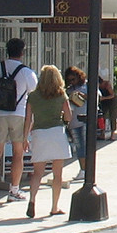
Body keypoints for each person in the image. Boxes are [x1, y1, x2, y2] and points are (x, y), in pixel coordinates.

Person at [0, 38, 38, 203]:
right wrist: (31, 122)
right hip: (19, 114)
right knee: (18, 153)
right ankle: (14, 190)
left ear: (6, 50)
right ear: (22, 52)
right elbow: (33, 98)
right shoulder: (27, 73)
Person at [22, 64, 75, 219]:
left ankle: (32, 200)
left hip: (39, 134)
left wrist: (25, 138)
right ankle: (54, 207)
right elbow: (68, 117)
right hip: (57, 133)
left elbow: (28, 119)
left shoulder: (33, 96)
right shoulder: (61, 95)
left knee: (37, 173)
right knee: (57, 174)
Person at [63, 65, 88, 167]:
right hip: (73, 122)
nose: (72, 82)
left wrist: (82, 96)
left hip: (84, 120)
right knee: (79, 146)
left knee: (84, 146)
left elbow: (97, 98)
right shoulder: (68, 90)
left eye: (73, 79)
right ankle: (83, 169)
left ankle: (84, 169)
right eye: (69, 80)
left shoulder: (86, 86)